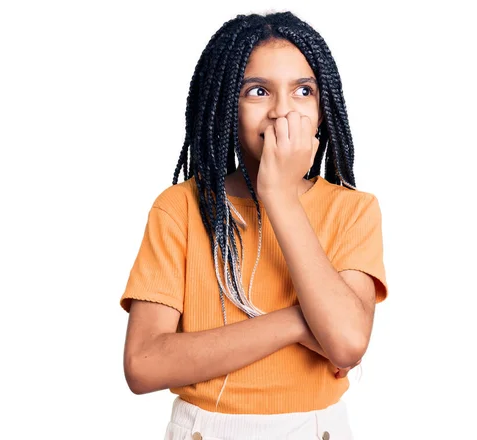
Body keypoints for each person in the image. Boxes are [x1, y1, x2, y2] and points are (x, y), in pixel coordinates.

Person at [119, 10, 388, 440]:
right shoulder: (180, 208)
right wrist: (299, 322)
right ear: (227, 105)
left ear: (323, 109)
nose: (282, 112)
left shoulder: (352, 210)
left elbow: (347, 344)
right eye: (258, 91)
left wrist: (279, 195)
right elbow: (144, 365)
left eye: (303, 90)